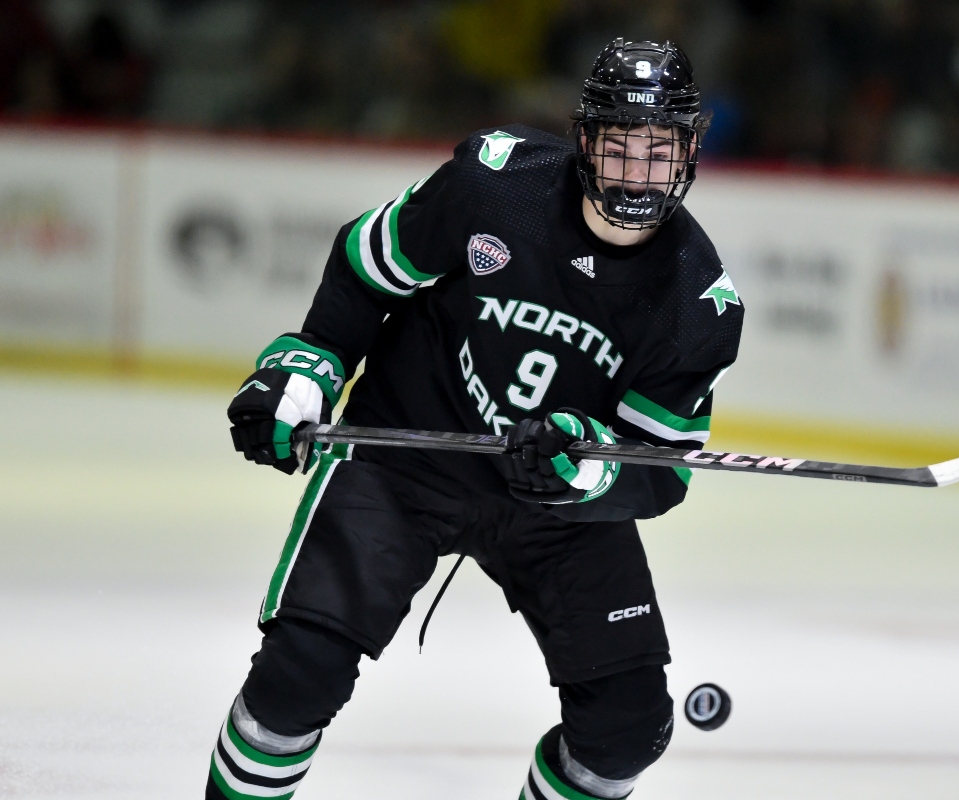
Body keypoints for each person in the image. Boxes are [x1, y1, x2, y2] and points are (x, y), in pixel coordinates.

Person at [210, 38, 743, 800]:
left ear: (689, 151)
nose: (635, 173)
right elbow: (367, 266)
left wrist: (589, 468)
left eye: (657, 152)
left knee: (625, 730)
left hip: (554, 511)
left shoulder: (698, 302)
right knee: (296, 679)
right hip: (405, 463)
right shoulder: (495, 186)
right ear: (584, 139)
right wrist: (310, 363)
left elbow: (660, 470)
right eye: (619, 146)